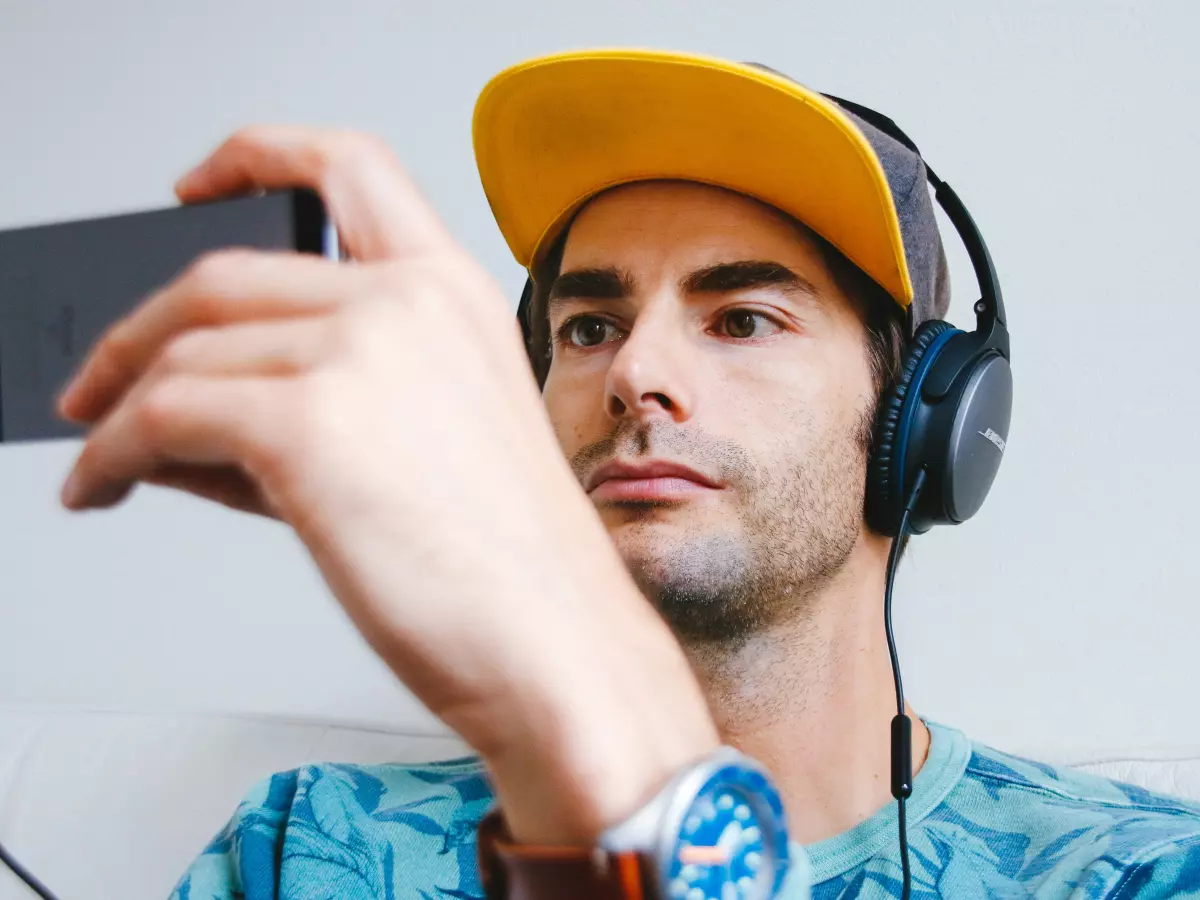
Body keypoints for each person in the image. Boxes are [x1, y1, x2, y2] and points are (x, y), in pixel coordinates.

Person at [56, 50, 1200, 899]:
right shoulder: (312, 850)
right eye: (590, 326)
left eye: (743, 319)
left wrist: (633, 808)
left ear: (926, 427)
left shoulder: (1136, 874)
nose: (636, 371)